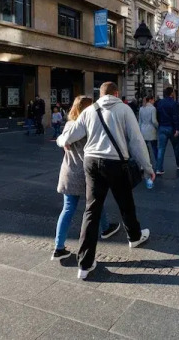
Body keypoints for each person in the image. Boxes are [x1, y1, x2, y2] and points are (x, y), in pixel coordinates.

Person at [57, 82, 153, 280]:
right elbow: (136, 140)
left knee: (91, 210)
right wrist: (147, 167)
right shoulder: (124, 109)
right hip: (116, 162)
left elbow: (68, 136)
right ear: (116, 93)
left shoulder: (89, 111)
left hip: (91, 162)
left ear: (100, 95)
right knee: (125, 202)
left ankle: (84, 264)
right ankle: (134, 237)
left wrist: (61, 141)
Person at [52, 96, 120, 261]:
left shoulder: (69, 125)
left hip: (69, 171)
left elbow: (62, 141)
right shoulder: (90, 126)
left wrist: (61, 141)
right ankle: (105, 228)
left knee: (68, 208)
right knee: (96, 202)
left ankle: (58, 247)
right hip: (88, 171)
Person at [155, 87, 179, 175]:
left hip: (162, 127)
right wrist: (177, 129)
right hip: (171, 127)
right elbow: (175, 117)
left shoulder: (160, 102)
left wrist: (160, 124)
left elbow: (157, 115)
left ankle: (159, 168)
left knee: (161, 149)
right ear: (171, 93)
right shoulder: (173, 103)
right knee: (176, 147)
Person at [138, 95, 158, 164]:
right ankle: (158, 162)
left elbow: (140, 121)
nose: (154, 101)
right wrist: (157, 126)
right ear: (150, 100)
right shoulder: (153, 108)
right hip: (151, 130)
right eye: (153, 100)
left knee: (144, 148)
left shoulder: (141, 108)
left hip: (143, 130)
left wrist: (139, 130)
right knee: (154, 148)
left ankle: (145, 162)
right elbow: (154, 121)